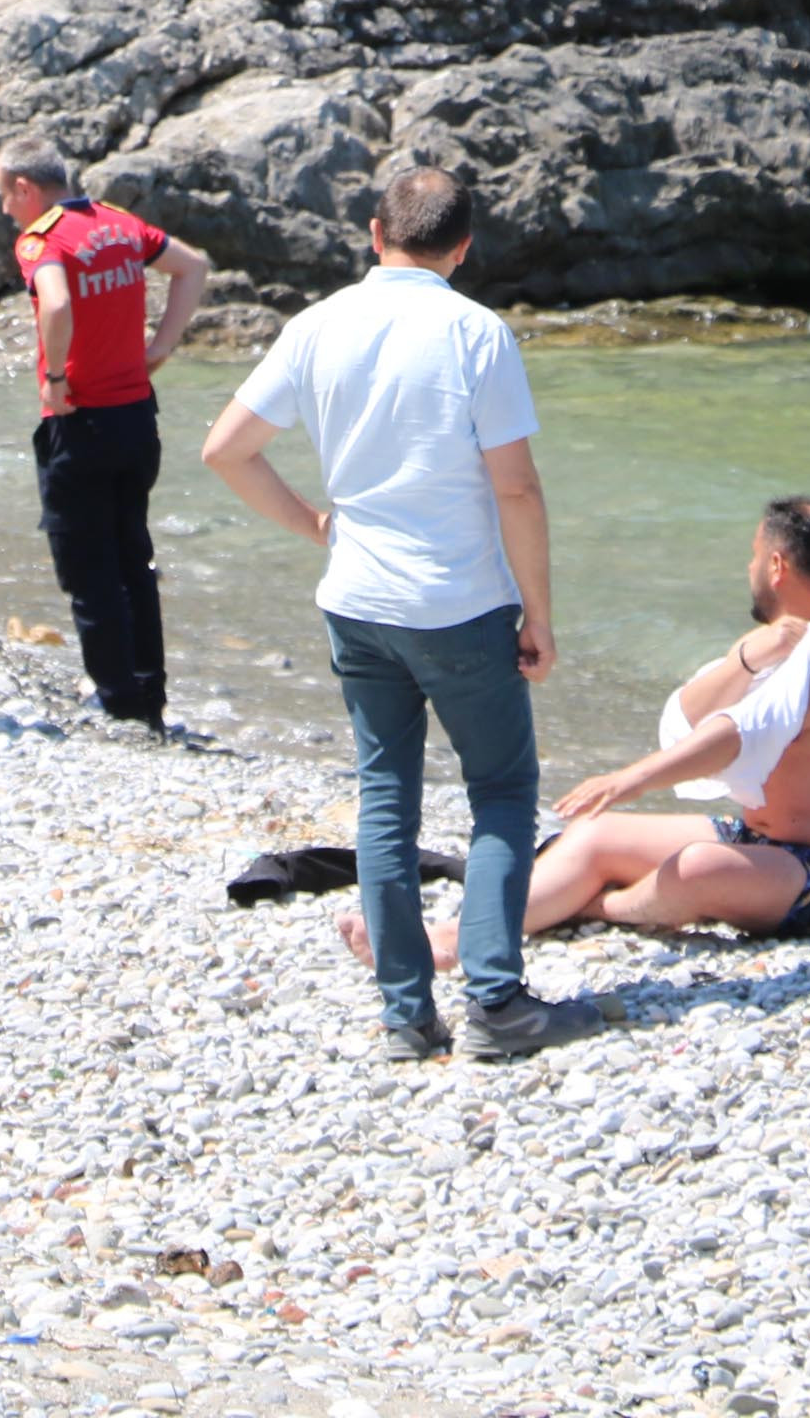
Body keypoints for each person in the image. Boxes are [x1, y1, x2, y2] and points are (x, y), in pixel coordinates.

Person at [200, 167, 609, 1062]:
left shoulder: (315, 326)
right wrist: (538, 612)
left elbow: (225, 449)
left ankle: (405, 1015)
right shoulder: (475, 332)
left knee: (386, 801)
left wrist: (314, 523)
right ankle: (497, 1005)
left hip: (356, 598)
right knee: (501, 793)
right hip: (458, 602)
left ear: (373, 232)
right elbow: (518, 487)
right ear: (463, 248)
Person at [406, 499, 810, 963]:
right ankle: (458, 936)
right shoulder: (777, 642)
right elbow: (687, 719)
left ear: (776, 566)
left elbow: (737, 733)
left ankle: (602, 908)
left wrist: (630, 780)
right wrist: (743, 659)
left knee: (698, 867)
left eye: (752, 556)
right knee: (593, 837)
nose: (748, 569)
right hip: (763, 842)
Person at [0, 142, 211, 724]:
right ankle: (150, 697)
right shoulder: (118, 223)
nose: (3, 210)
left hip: (79, 421)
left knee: (88, 570)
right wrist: (161, 348)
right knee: (133, 559)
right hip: (137, 417)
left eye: (3, 195)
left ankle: (120, 704)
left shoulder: (42, 238)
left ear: (24, 188)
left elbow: (58, 304)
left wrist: (57, 377)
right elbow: (192, 266)